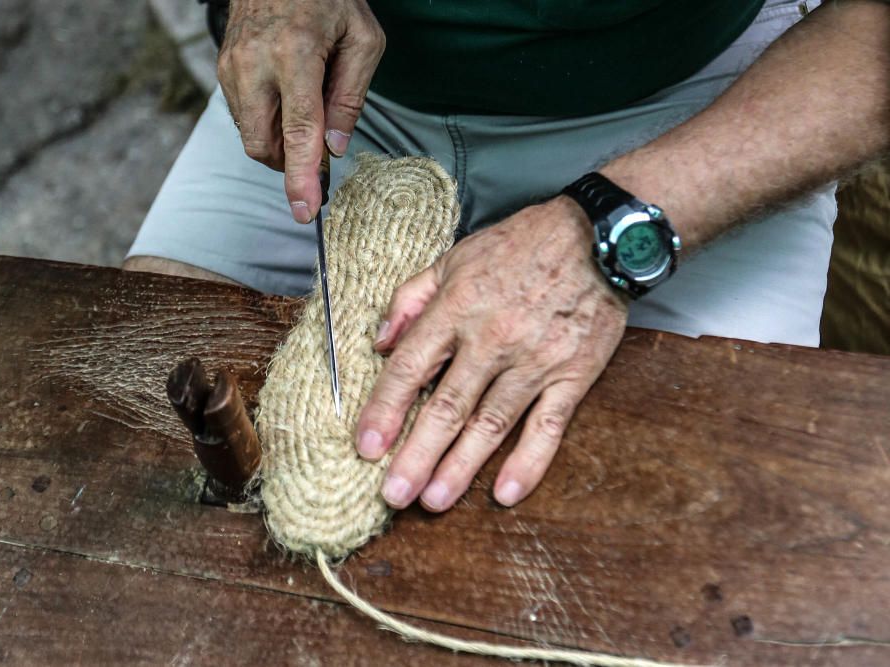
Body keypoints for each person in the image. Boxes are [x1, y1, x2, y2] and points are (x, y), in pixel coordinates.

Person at [125, 0, 889, 513]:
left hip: (693, 112)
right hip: (348, 99)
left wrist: (602, 235)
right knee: (121, 450)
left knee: (700, 516)